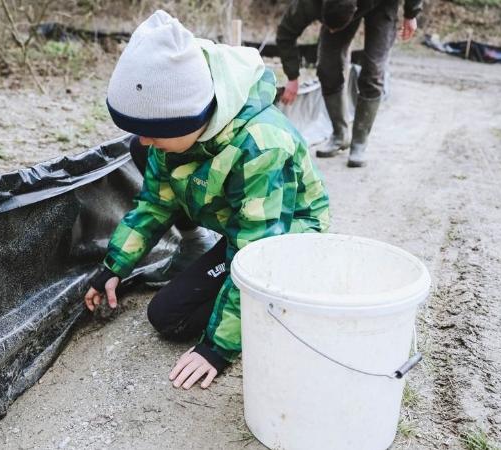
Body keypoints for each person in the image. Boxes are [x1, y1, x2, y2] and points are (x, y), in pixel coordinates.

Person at [83, 10, 330, 390]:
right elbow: (155, 202)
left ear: (190, 119)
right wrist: (113, 266)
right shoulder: (179, 115)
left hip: (282, 235)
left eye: (155, 132)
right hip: (232, 216)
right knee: (143, 153)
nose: (146, 141)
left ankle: (294, 294)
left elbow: (256, 252)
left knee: (169, 317)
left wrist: (216, 349)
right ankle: (201, 246)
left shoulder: (260, 148)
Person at [277, 0, 422, 167]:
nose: (330, 31)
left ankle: (359, 143)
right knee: (328, 67)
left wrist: (411, 13)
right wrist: (292, 77)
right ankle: (340, 134)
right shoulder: (310, 4)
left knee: (373, 70)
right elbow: (285, 32)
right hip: (339, 7)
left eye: (334, 28)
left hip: (383, 4)